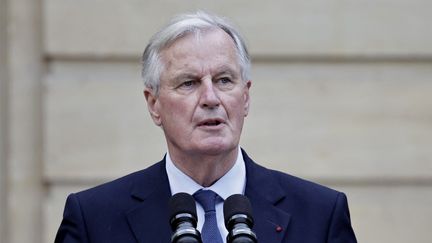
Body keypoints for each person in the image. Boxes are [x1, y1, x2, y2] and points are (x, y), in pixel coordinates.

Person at [55, 11, 357, 243]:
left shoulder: (320, 215)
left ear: (246, 97)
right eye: (189, 83)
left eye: (224, 80)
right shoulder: (93, 219)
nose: (210, 98)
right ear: (154, 104)